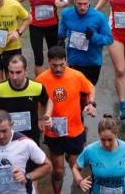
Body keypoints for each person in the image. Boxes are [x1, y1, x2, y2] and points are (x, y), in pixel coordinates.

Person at [36, 46, 96, 194]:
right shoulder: (41, 79)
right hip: (53, 132)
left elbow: (90, 88)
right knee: (58, 171)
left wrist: (90, 103)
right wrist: (39, 119)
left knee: (76, 167)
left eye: (61, 64)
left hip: (74, 130)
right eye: (54, 65)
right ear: (49, 62)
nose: (58, 69)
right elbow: (37, 102)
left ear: (66, 61)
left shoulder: (76, 76)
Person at [0, 110, 52, 193]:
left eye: (4, 131)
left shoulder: (26, 143)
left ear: (12, 125)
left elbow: (48, 166)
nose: (1, 136)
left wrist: (27, 177)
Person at [16, 0, 69, 75]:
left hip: (52, 26)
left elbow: (65, 0)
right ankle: (41, 86)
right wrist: (10, 4)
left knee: (54, 56)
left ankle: (55, 80)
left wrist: (62, 4)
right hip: (35, 27)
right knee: (38, 58)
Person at [0, 53, 51, 144]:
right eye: (11, 72)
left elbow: (48, 101)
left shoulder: (37, 87)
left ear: (25, 71)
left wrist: (44, 117)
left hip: (31, 139)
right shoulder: (0, 89)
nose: (14, 77)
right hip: (8, 140)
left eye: (18, 72)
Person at [72, 114, 125, 194]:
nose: (106, 144)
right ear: (99, 135)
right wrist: (80, 181)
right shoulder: (90, 150)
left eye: (110, 140)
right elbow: (75, 168)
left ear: (116, 134)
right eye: (103, 140)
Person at [59, 0, 113, 86]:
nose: (82, 7)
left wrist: (94, 36)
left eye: (85, 4)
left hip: (92, 63)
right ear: (74, 0)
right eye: (79, 4)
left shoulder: (99, 17)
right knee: (74, 93)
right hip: (73, 61)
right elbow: (62, 30)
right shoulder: (66, 14)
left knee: (88, 94)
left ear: (90, 1)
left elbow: (109, 39)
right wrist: (61, 38)